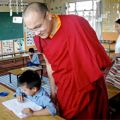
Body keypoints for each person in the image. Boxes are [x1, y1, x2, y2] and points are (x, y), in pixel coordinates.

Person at [23, 2, 112, 119]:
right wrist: (53, 90)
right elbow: (49, 64)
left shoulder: (77, 23)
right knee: (66, 114)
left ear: (49, 15)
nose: (36, 33)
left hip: (88, 84)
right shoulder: (39, 38)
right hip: (65, 87)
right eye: (31, 30)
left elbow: (96, 55)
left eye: (38, 26)